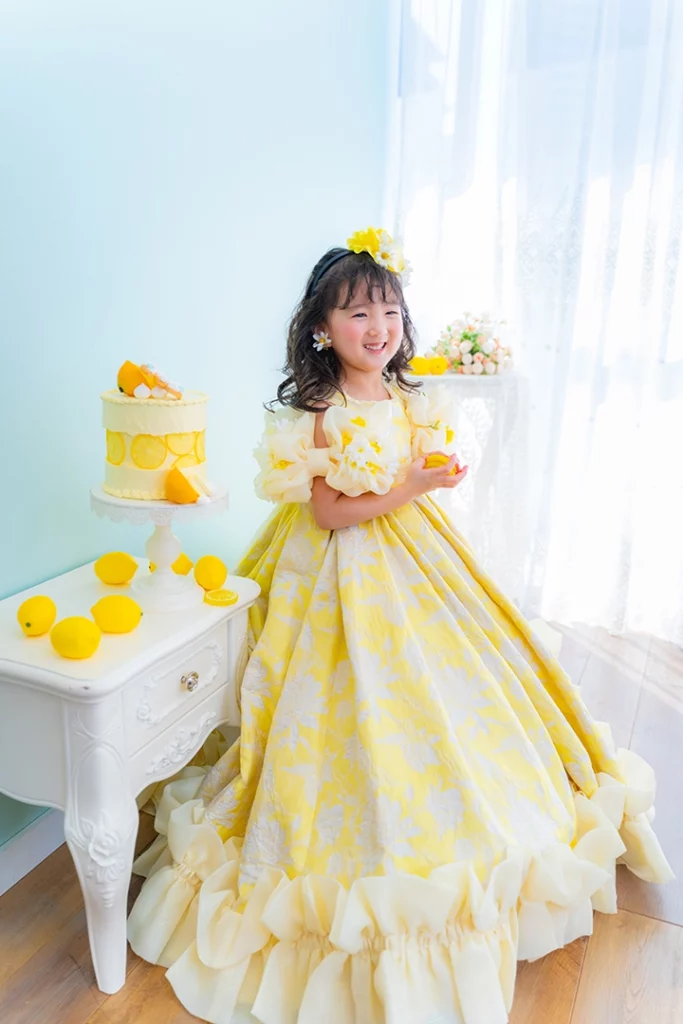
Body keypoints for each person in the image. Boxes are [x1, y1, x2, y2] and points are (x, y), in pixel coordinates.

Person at [128, 228, 673, 1024]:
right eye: (356, 313)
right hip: (335, 569)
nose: (376, 327)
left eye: (388, 310)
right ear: (322, 328)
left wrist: (434, 473)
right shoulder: (321, 410)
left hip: (417, 555)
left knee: (464, 680)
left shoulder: (408, 398)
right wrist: (414, 482)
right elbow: (329, 513)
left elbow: (415, 469)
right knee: (341, 700)